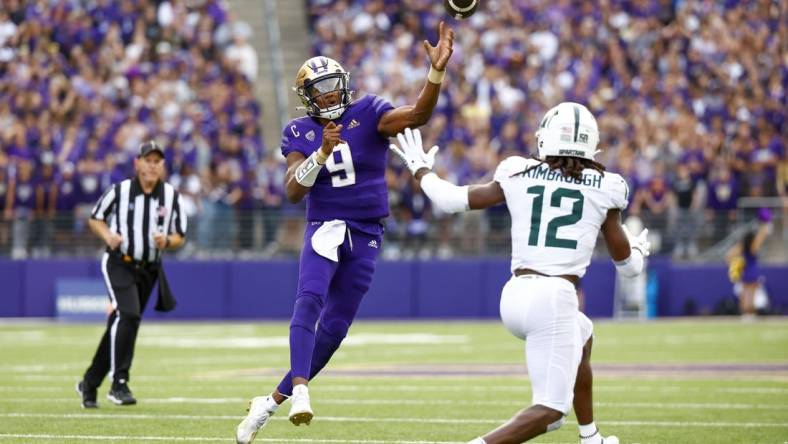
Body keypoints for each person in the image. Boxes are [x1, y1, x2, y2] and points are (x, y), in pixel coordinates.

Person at [235, 21, 455, 444]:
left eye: (335, 86)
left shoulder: (369, 111)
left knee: (334, 330)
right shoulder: (299, 132)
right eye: (322, 90)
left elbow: (418, 115)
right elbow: (294, 190)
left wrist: (436, 74)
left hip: (368, 231)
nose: (332, 95)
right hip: (325, 226)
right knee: (309, 301)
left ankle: (268, 403)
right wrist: (320, 153)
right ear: (308, 98)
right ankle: (301, 390)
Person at [389, 102, 651, 444]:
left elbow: (451, 200)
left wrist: (422, 169)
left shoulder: (519, 171)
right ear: (591, 144)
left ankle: (591, 437)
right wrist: (639, 252)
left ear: (545, 138)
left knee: (583, 335)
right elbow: (629, 269)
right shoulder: (606, 185)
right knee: (551, 412)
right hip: (553, 298)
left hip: (514, 294)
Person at [75, 140, 187, 408]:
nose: (152, 165)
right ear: (137, 163)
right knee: (129, 315)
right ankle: (119, 383)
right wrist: (107, 235)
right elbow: (95, 217)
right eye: (148, 160)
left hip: (149, 268)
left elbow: (180, 236)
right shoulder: (121, 191)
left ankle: (89, 383)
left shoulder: (171, 196)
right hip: (119, 262)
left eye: (157, 161)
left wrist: (166, 242)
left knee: (121, 322)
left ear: (163, 166)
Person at [727, 208, 772, 319]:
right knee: (751, 296)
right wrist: (766, 222)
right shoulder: (753, 246)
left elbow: (728, 256)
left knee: (744, 295)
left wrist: (735, 265)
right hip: (753, 271)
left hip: (745, 271)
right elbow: (762, 234)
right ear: (752, 239)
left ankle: (745, 316)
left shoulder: (742, 247)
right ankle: (750, 315)